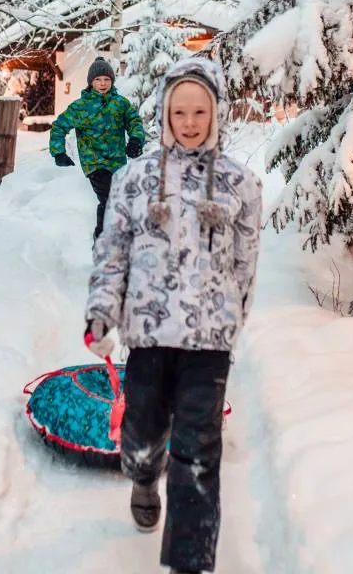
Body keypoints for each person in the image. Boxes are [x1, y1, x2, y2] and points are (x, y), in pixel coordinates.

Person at [82, 58, 262, 574]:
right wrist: (101, 313)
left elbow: (246, 261)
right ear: (164, 113)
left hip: (209, 342)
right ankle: (143, 475)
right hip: (149, 334)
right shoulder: (133, 180)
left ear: (216, 113)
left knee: (200, 453)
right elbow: (112, 251)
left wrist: (232, 319)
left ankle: (189, 562)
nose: (189, 121)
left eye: (199, 111)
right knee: (141, 436)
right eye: (179, 111)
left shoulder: (239, 184)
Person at [49, 57, 145, 240]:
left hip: (117, 163)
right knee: (110, 198)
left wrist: (136, 140)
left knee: (118, 200)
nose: (102, 84)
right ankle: (103, 239)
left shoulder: (120, 104)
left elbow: (134, 122)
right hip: (94, 163)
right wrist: (58, 152)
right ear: (91, 82)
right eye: (98, 80)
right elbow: (59, 126)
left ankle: (112, 238)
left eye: (107, 80)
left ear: (112, 81)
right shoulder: (81, 107)